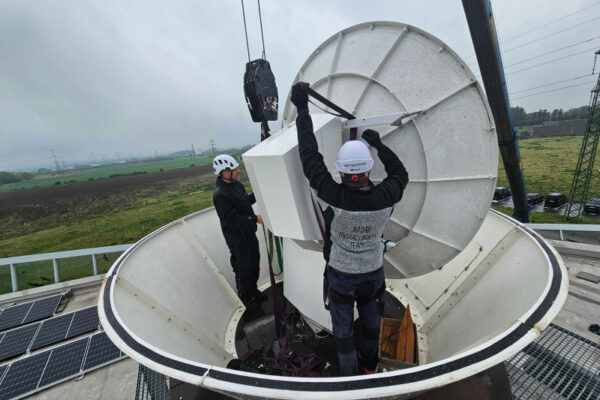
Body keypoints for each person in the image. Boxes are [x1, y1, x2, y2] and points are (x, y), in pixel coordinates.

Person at [290, 83, 409, 376]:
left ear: (341, 171)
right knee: (371, 324)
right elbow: (400, 174)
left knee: (343, 331)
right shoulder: (387, 195)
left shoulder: (332, 194)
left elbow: (309, 156)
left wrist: (302, 108)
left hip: (341, 276)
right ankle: (369, 364)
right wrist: (378, 144)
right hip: (372, 272)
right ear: (368, 169)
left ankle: (349, 375)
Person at [212, 154, 267, 310]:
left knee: (254, 264)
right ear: (224, 172)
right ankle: (245, 298)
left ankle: (253, 291)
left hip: (249, 234)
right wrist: (254, 218)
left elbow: (246, 202)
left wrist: (258, 193)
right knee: (243, 269)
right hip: (237, 239)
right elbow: (231, 220)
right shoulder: (220, 195)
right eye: (234, 169)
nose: (238, 171)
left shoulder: (237, 186)